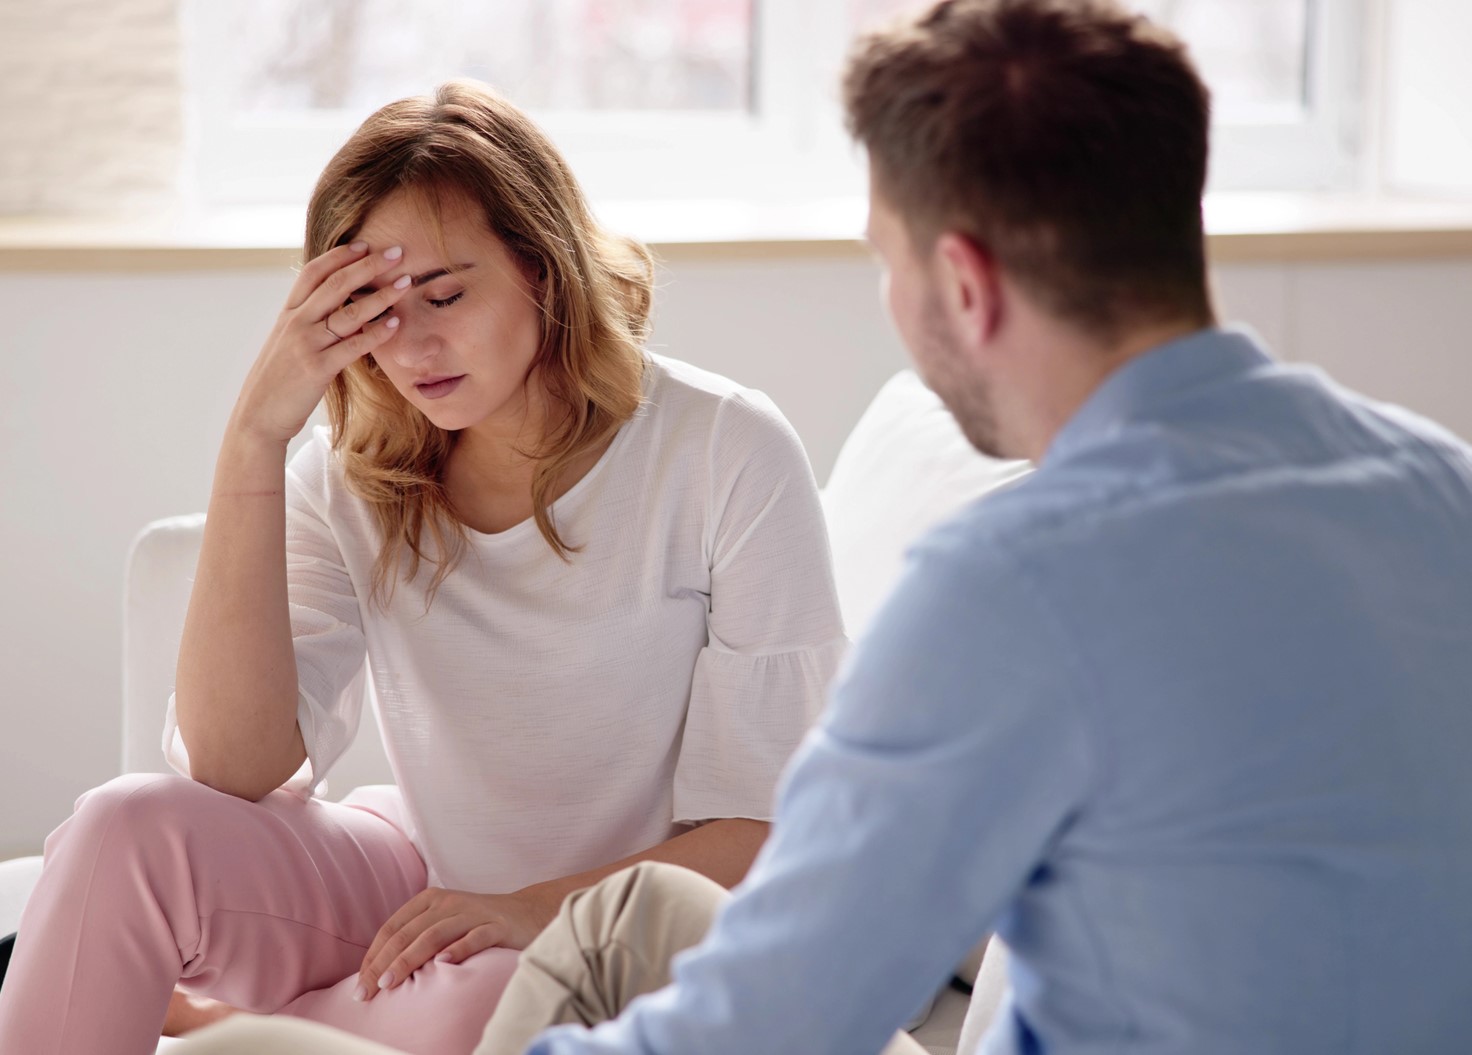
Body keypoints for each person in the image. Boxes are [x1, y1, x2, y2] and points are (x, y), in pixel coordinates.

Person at [141, 0, 1472, 1052]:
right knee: (609, 924)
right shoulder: (1468, 500)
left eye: (880, 260)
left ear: (959, 281)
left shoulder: (1019, 584)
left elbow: (785, 1002)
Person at [0, 80, 848, 1055]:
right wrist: (254, 438)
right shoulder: (353, 471)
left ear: (542, 267)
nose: (410, 343)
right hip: (426, 880)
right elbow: (235, 765)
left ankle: (243, 1024)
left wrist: (531, 908)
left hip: (634, 932)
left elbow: (766, 829)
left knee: (484, 998)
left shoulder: (723, 449)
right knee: (124, 825)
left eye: (444, 295)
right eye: (371, 306)